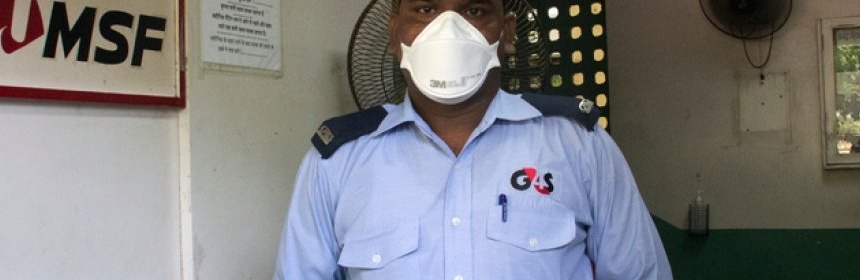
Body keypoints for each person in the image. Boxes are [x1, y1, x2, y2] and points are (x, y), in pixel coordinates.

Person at [274, 0, 673, 279]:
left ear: (508, 33)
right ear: (395, 35)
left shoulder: (578, 145)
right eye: (426, 9)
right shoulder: (336, 163)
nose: (448, 29)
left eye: (475, 10)